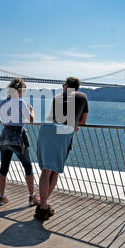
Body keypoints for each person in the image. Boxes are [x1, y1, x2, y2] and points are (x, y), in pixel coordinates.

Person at [35, 77, 89, 220]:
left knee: (46, 170)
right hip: (64, 132)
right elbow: (83, 121)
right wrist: (75, 124)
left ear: (66, 86)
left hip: (47, 129)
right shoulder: (83, 96)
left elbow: (53, 117)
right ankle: (43, 205)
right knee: (56, 170)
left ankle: (43, 203)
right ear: (77, 87)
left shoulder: (58, 96)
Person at [0, 78, 39, 207]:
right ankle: (32, 197)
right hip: (18, 137)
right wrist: (31, 110)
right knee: (28, 167)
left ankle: (2, 197)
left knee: (3, 168)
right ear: (19, 90)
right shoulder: (21, 102)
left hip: (5, 136)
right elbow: (30, 120)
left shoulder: (2, 103)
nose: (23, 94)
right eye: (23, 91)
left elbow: (4, 122)